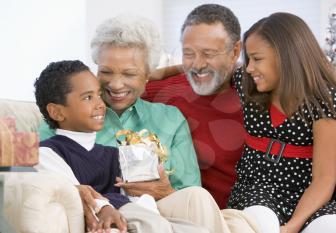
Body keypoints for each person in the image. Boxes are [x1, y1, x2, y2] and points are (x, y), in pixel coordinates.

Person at [38, 16, 258, 233]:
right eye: (106, 71)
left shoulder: (169, 119)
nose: (115, 84)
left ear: (147, 77)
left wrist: (165, 191)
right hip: (105, 212)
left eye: (129, 73)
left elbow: (188, 190)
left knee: (197, 197)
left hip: (162, 207)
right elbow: (33, 173)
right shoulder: (64, 121)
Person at [34, 60, 211, 233]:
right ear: (56, 112)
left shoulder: (114, 154)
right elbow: (71, 192)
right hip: (109, 219)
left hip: (133, 213)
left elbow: (137, 197)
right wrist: (106, 207)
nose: (100, 104)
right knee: (154, 225)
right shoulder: (46, 152)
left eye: (99, 94)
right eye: (88, 97)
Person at [226, 12, 336, 233]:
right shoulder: (247, 82)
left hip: (309, 192)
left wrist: (293, 226)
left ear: (286, 56)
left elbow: (323, 179)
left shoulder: (325, 100)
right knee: (260, 223)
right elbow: (211, 67)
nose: (248, 68)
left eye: (257, 58)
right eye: (248, 59)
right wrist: (160, 73)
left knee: (334, 228)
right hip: (256, 188)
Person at [143, 3, 245, 209]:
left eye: (208, 54)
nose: (197, 65)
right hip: (181, 216)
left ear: (235, 52)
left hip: (245, 216)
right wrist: (147, 73)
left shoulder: (256, 96)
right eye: (189, 54)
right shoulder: (163, 91)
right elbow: (109, 86)